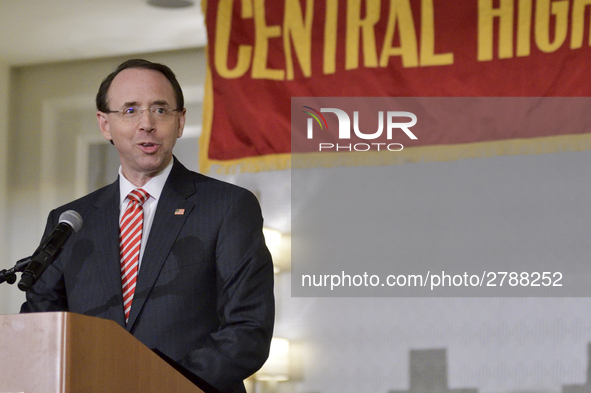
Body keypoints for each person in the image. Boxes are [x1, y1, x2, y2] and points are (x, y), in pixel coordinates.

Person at [20, 59, 275, 393]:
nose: (147, 124)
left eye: (160, 109)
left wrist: (156, 383)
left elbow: (247, 329)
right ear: (104, 124)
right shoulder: (70, 221)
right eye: (130, 110)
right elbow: (41, 326)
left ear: (180, 121)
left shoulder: (227, 207)